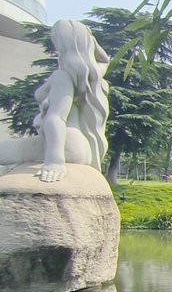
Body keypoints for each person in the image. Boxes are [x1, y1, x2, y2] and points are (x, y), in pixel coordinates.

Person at [0, 19, 110, 182]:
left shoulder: (62, 76)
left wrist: (54, 161)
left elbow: (56, 118)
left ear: (61, 43)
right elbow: (105, 61)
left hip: (65, 144)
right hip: (83, 148)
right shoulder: (90, 76)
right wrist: (89, 42)